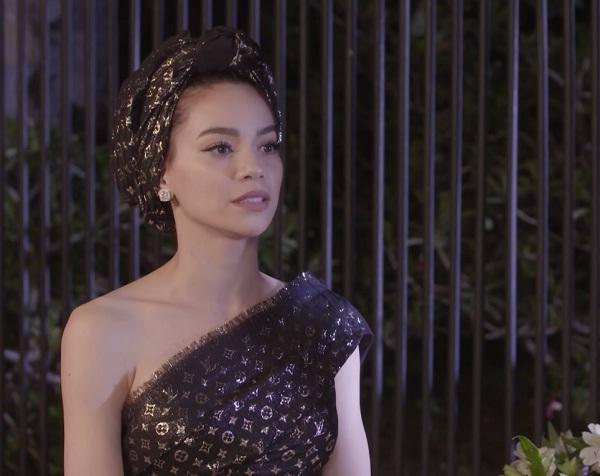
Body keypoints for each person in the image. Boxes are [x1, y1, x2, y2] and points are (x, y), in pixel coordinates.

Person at [60, 25, 373, 476]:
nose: (253, 168)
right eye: (221, 147)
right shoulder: (101, 331)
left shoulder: (323, 327)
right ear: (161, 172)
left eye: (267, 145)